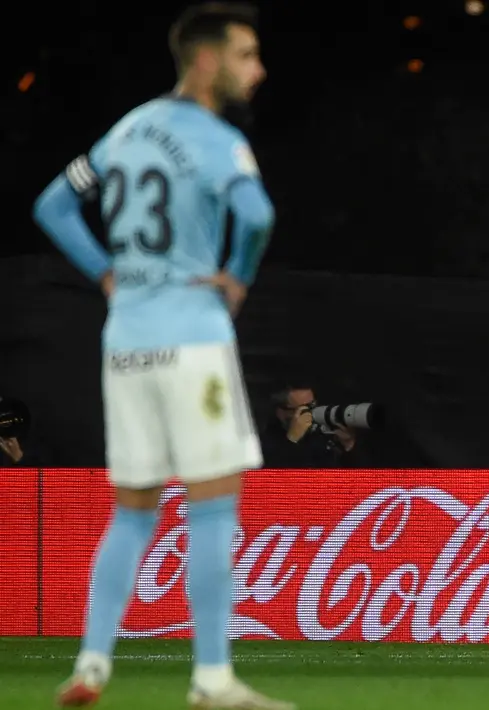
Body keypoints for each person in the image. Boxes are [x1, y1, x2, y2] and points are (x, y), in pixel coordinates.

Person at [31, 4, 291, 708]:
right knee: (211, 511)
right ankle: (211, 680)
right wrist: (236, 274)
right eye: (246, 55)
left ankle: (91, 666)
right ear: (206, 62)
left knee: (133, 512)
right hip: (192, 338)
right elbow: (259, 215)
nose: (257, 70)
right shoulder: (212, 138)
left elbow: (53, 205)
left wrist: (106, 274)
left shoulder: (127, 129)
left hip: (125, 343)